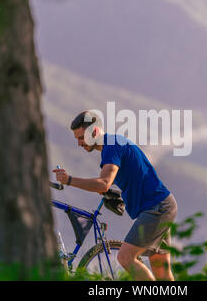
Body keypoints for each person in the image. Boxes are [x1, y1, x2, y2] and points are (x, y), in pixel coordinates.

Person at [53, 111, 177, 281]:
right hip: (162, 205)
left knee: (125, 257)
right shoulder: (112, 144)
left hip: (156, 208)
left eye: (81, 138)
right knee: (160, 267)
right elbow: (109, 183)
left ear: (95, 132)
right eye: (77, 139)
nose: (79, 143)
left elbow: (104, 182)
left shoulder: (111, 146)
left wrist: (69, 180)